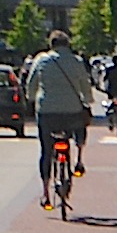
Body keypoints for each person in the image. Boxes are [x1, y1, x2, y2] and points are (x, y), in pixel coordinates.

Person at [29, 37, 94, 212]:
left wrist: (31, 99)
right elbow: (85, 86)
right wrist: (88, 100)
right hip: (72, 112)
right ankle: (79, 159)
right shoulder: (76, 61)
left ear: (51, 45)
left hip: (47, 113)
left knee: (46, 151)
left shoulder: (41, 60)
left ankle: (45, 194)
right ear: (67, 44)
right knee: (81, 123)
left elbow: (31, 85)